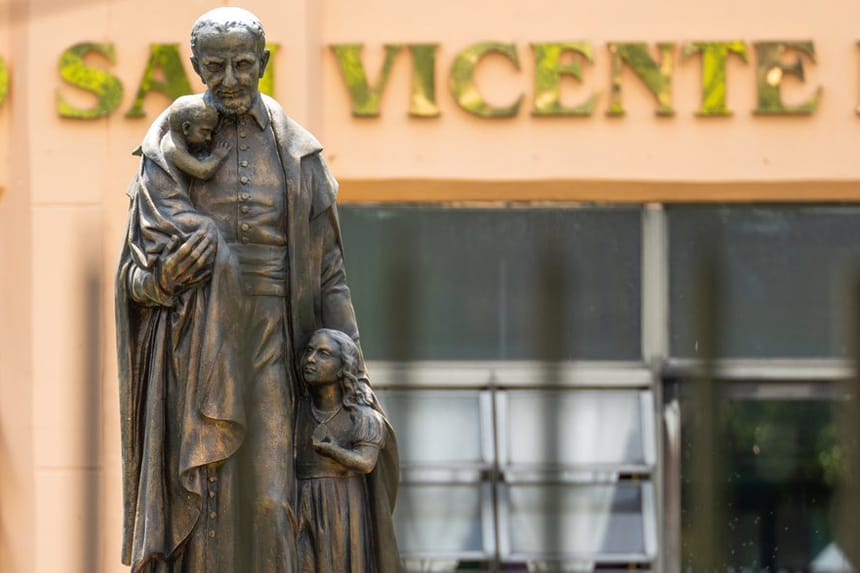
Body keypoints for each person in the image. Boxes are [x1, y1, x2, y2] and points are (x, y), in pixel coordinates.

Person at [115, 7, 368, 572]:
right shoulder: (165, 153)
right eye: (215, 66)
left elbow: (330, 276)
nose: (229, 79)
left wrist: (357, 381)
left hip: (275, 339)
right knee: (203, 502)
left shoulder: (299, 155)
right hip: (193, 343)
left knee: (272, 500)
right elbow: (133, 276)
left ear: (264, 63)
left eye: (242, 65)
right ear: (195, 65)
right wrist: (162, 282)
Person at [295, 329, 399, 573]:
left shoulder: (363, 417)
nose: (311, 359)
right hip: (301, 501)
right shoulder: (298, 413)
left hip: (342, 502)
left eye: (323, 354)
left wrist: (333, 451)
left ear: (344, 367)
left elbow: (366, 462)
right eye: (309, 351)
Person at [162, 95, 232, 182]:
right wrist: (217, 155)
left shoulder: (176, 142)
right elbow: (202, 172)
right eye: (205, 132)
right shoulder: (173, 149)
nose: (209, 138)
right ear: (186, 127)